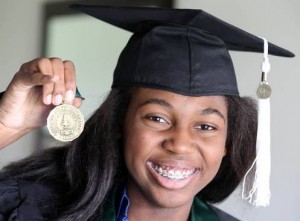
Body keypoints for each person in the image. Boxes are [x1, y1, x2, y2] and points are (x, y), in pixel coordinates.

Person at [0, 4, 294, 221]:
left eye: (206, 126)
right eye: (157, 118)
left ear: (228, 143)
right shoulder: (25, 208)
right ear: (119, 122)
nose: (179, 143)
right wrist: (4, 125)